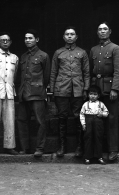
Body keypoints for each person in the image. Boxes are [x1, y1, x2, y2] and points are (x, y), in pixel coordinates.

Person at [50, 26, 90, 157]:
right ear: (63, 37)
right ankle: (62, 146)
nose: (69, 36)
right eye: (67, 34)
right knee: (62, 118)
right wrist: (52, 90)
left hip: (78, 90)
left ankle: (79, 147)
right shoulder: (58, 53)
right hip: (61, 89)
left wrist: (86, 89)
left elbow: (86, 73)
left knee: (79, 117)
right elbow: (53, 72)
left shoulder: (82, 53)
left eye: (72, 34)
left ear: (76, 37)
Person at [89, 22, 119, 161]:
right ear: (97, 33)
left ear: (110, 31)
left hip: (109, 89)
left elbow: (118, 70)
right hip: (96, 89)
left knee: (111, 119)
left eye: (105, 29)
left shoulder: (115, 48)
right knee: (95, 119)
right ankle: (96, 151)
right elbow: (91, 71)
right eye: (100, 29)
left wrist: (115, 89)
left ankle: (113, 149)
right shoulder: (93, 50)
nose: (102, 31)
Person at [17, 29, 51, 157]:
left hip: (37, 94)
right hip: (23, 94)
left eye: (30, 38)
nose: (27, 40)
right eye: (26, 38)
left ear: (37, 40)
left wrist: (40, 88)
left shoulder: (43, 56)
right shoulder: (24, 56)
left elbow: (46, 76)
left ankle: (39, 148)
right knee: (21, 121)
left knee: (40, 122)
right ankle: (25, 148)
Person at [80, 85, 109, 165]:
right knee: (88, 139)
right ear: (88, 95)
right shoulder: (85, 104)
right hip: (88, 121)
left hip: (98, 122)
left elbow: (106, 112)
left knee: (98, 138)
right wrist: (83, 124)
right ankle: (87, 158)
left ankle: (99, 157)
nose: (93, 96)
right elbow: (82, 114)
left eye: (95, 94)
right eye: (91, 94)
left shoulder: (101, 104)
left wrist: (102, 114)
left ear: (98, 96)